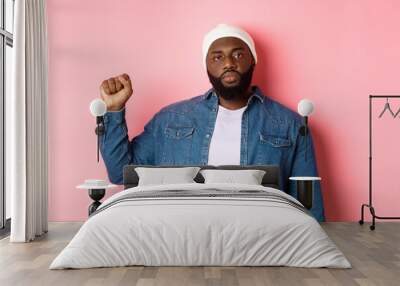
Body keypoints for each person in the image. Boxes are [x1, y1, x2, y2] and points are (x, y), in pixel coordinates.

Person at [99, 24, 325, 222]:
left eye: (238, 54)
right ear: (206, 66)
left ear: (253, 60)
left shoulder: (290, 124)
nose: (229, 63)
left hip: (261, 239)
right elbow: (121, 173)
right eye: (217, 57)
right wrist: (114, 109)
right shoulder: (171, 119)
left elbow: (309, 204)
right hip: (183, 235)